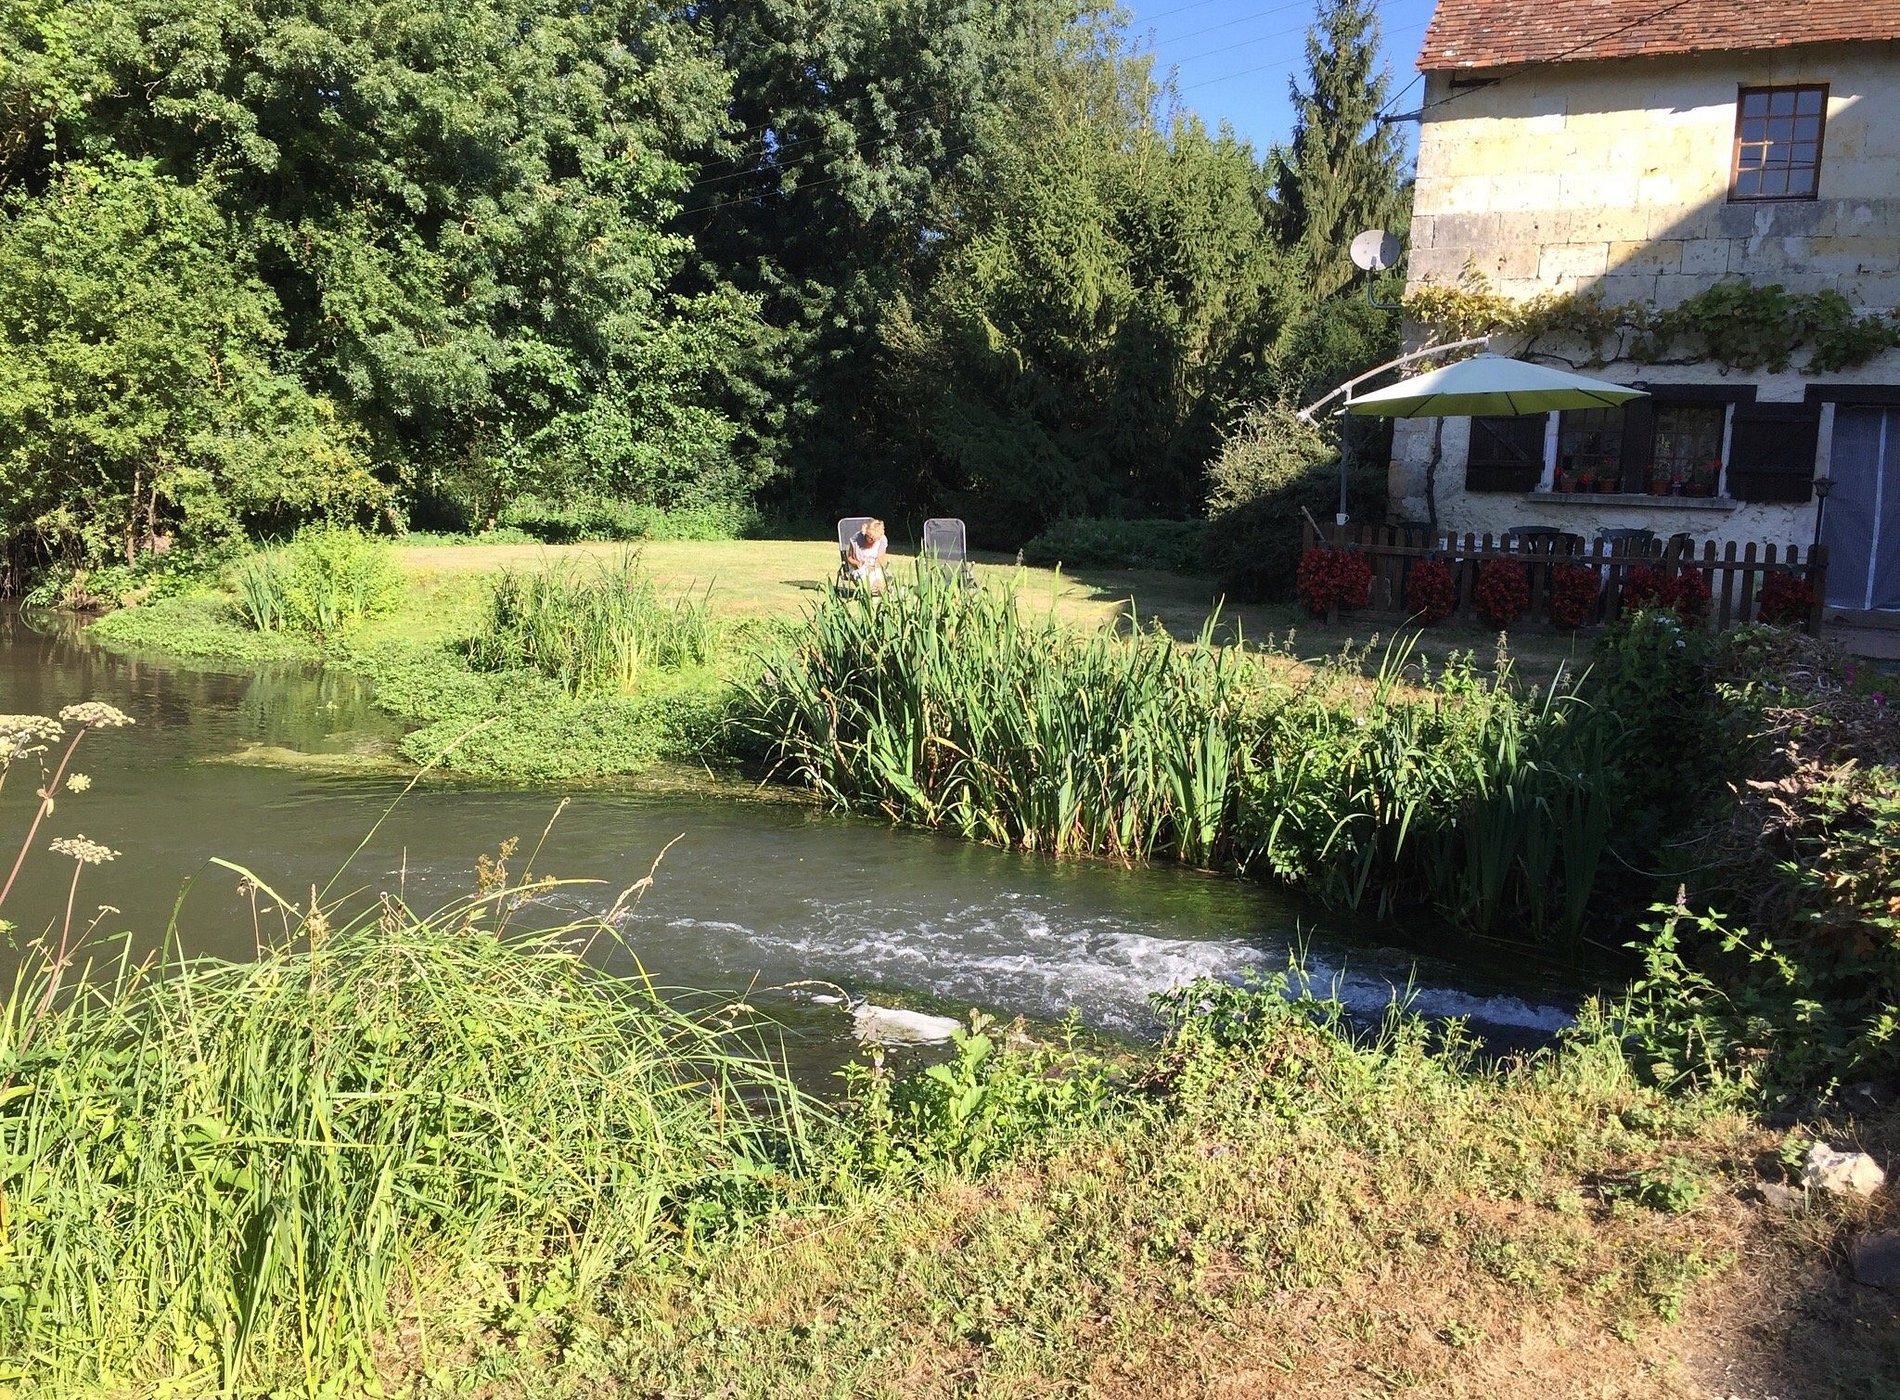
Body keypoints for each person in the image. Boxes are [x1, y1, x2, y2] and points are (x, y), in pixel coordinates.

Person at [844, 518, 888, 594]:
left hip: (875, 568)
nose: (872, 540)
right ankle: (870, 590)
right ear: (865, 533)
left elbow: (881, 561)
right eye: (870, 538)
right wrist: (857, 563)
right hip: (859, 568)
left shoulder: (882, 540)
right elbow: (849, 558)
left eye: (875, 539)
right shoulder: (856, 539)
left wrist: (874, 567)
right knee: (865, 575)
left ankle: (878, 589)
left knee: (879, 575)